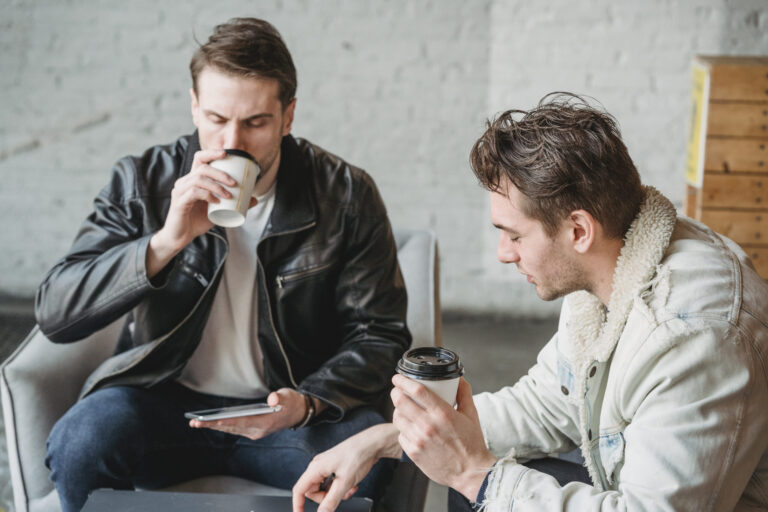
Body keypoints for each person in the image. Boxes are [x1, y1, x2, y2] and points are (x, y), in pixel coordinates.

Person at [292, 93, 768, 512]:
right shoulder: (611, 270)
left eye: (514, 235)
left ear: (578, 230)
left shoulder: (692, 335)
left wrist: (472, 472)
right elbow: (546, 404)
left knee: (479, 483)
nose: (503, 254)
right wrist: (385, 440)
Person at [35, 18, 410, 512]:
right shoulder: (143, 181)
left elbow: (380, 333)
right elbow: (57, 313)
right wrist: (165, 243)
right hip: (163, 403)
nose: (231, 142)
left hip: (287, 416)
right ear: (193, 105)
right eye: (215, 118)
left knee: (370, 453)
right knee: (81, 441)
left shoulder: (345, 194)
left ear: (288, 116)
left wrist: (308, 401)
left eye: (255, 122)